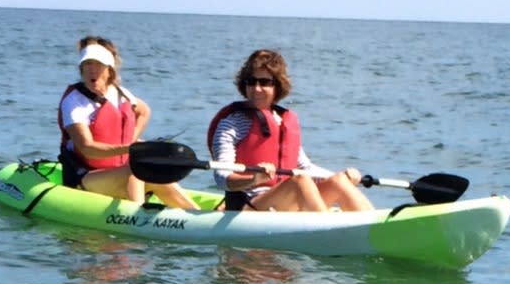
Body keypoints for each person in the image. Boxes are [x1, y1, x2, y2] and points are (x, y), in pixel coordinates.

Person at [208, 49, 374, 212]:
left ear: (277, 86)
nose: (256, 88)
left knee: (338, 181)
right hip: (248, 207)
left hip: (283, 204)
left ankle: (376, 226)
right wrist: (253, 179)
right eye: (251, 82)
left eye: (264, 82)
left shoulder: (282, 121)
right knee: (300, 180)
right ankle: (326, 230)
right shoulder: (231, 124)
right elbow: (222, 177)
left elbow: (305, 167)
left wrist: (343, 176)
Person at [58, 36, 198, 210]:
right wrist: (129, 149)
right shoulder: (74, 102)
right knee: (137, 168)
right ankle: (137, 216)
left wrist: (131, 140)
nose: (92, 70)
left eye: (98, 65)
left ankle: (198, 216)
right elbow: (87, 148)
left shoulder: (121, 94)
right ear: (81, 68)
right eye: (87, 64)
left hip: (117, 173)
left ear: (109, 70)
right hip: (86, 177)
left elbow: (144, 111)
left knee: (156, 173)